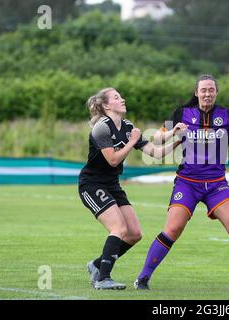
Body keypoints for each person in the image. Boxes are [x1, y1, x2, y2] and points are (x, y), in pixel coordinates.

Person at [133, 75, 229, 292]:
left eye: (211, 90)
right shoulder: (182, 113)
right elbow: (156, 139)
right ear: (196, 93)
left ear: (216, 92)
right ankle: (143, 278)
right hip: (187, 183)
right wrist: (173, 132)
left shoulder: (227, 115)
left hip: (216, 184)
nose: (207, 94)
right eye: (203, 90)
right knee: (172, 229)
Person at [79, 87, 184, 290]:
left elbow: (156, 153)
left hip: (112, 184)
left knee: (134, 233)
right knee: (118, 228)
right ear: (107, 105)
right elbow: (112, 160)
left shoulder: (128, 127)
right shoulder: (102, 127)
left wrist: (177, 138)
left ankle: (97, 265)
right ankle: (103, 278)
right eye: (117, 97)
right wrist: (133, 141)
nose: (123, 99)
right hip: (92, 184)